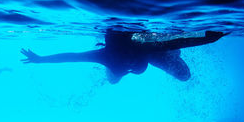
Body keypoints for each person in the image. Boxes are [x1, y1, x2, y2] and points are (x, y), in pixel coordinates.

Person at [21, 30, 226, 84]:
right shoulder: (111, 56)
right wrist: (210, 37)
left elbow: (72, 57)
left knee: (183, 74)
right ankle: (166, 55)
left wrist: (41, 59)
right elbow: (180, 40)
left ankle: (166, 55)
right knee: (113, 79)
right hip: (141, 55)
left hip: (139, 51)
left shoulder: (110, 55)